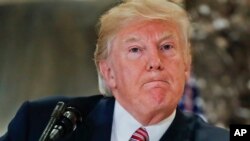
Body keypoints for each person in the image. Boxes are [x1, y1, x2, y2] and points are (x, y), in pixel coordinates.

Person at [0, 0, 229, 141]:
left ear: (186, 65)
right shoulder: (39, 123)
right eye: (136, 49)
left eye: (167, 47)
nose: (155, 62)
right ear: (109, 72)